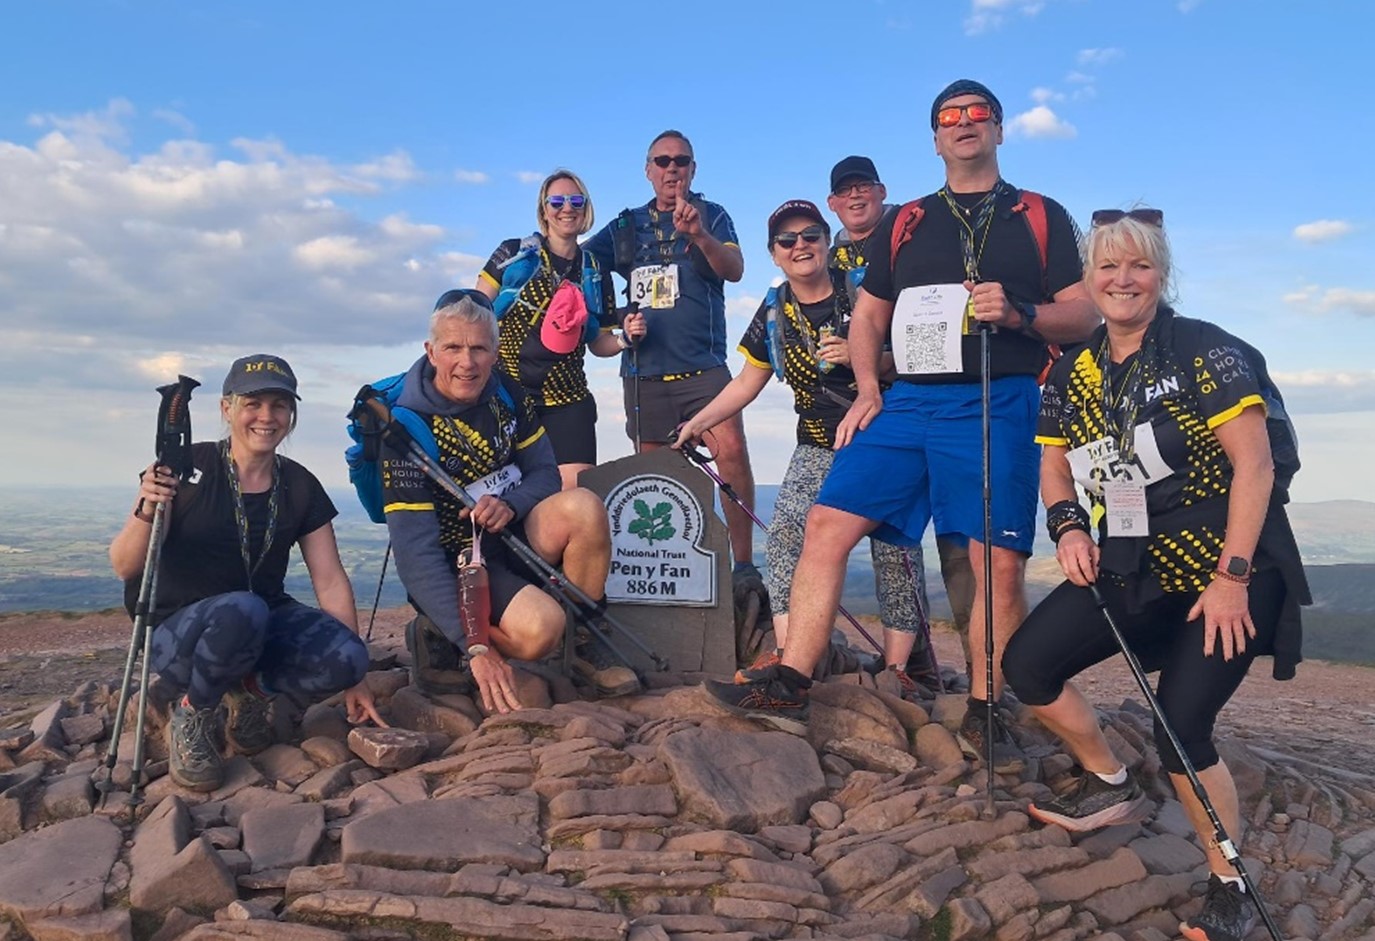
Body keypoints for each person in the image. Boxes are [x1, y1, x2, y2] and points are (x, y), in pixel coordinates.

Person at [709, 79, 1099, 762]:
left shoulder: (1039, 214)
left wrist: (1020, 314)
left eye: (977, 114)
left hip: (996, 395)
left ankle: (985, 704)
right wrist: (865, 387)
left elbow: (1084, 312)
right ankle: (790, 678)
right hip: (908, 399)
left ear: (999, 130)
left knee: (995, 562)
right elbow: (868, 313)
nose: (964, 124)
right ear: (934, 137)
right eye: (949, 117)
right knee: (826, 525)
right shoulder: (908, 220)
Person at [1002, 209, 1308, 941]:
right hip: (1134, 559)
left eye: (1137, 265)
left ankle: (1227, 881)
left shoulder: (1206, 350)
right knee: (1027, 662)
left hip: (1231, 561)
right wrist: (1068, 523)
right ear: (1087, 280)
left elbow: (1254, 463)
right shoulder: (1073, 369)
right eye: (1107, 267)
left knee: (1180, 726)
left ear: (1160, 273)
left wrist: (1231, 575)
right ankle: (1107, 779)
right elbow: (1052, 460)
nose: (1121, 279)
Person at [675, 200, 930, 696]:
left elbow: (917, 358)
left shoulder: (865, 288)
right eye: (787, 241)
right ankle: (793, 656)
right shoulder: (774, 310)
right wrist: (699, 422)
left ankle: (899, 667)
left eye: (810, 235)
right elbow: (748, 382)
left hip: (884, 433)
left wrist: (870, 358)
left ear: (826, 240)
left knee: (893, 544)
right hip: (816, 440)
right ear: (773, 254)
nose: (800, 246)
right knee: (789, 532)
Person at [109, 355, 383, 792]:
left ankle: (248, 696)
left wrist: (358, 677)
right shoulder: (185, 469)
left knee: (346, 658)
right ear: (226, 409)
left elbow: (329, 579)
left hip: (258, 620)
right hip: (178, 633)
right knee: (244, 609)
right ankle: (193, 714)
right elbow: (125, 565)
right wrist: (146, 507)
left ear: (291, 415)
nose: (267, 417)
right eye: (253, 403)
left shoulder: (299, 484)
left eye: (280, 405)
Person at [385, 289, 638, 711]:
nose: (467, 363)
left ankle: (586, 639)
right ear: (431, 352)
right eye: (453, 348)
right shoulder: (405, 428)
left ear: (495, 352)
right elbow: (415, 555)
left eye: (479, 348)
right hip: (457, 561)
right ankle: (439, 631)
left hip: (509, 534)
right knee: (541, 630)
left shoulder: (507, 395)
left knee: (585, 507)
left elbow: (545, 473)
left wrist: (512, 504)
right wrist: (476, 647)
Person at [583, 130, 760, 582]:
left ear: (693, 169)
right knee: (659, 478)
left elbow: (734, 270)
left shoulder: (713, 215)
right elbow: (581, 265)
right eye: (661, 161)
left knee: (732, 456)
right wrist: (613, 320)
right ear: (648, 170)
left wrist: (698, 235)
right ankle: (681, 575)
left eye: (681, 161)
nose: (671, 169)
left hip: (704, 370)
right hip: (644, 375)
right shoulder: (624, 226)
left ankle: (742, 567)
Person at [827, 155, 972, 689]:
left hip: (924, 401)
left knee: (943, 544)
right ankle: (911, 665)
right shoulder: (830, 256)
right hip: (867, 413)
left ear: (883, 192)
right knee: (885, 539)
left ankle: (949, 670)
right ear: (834, 203)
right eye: (847, 191)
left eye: (865, 187)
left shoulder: (914, 236)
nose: (858, 196)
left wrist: (876, 362)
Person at [474, 169, 647, 490]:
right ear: (544, 210)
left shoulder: (595, 270)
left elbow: (599, 343)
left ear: (586, 208)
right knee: (509, 498)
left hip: (567, 401)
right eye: (557, 201)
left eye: (575, 200)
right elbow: (475, 311)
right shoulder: (513, 254)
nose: (567, 208)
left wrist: (626, 338)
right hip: (508, 396)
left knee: (575, 499)